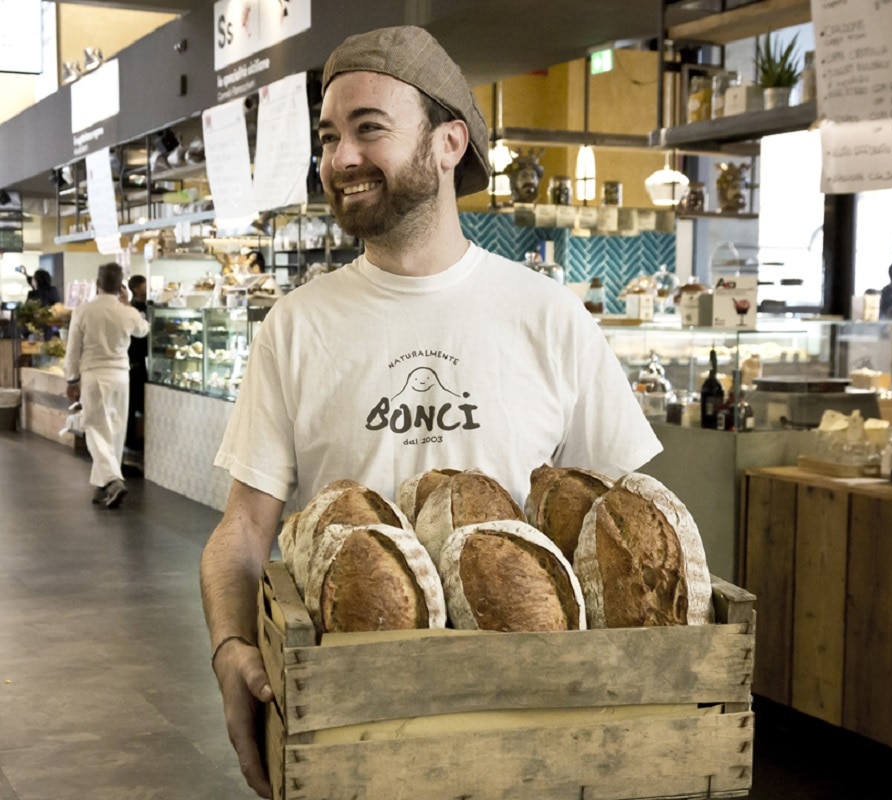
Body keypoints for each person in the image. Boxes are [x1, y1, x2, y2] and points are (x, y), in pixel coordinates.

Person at [199, 25, 662, 798]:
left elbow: (617, 524)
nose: (341, 158)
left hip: (532, 726)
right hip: (352, 723)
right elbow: (243, 527)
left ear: (450, 143)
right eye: (329, 136)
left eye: (369, 129)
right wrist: (228, 649)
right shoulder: (297, 325)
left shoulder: (548, 315)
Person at [62, 263, 150, 509]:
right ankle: (101, 487)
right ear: (121, 286)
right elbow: (143, 330)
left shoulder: (83, 311)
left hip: (93, 376)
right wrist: (129, 305)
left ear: (97, 283)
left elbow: (73, 350)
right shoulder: (126, 312)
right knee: (116, 429)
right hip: (122, 376)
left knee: (96, 429)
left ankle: (112, 480)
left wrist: (71, 379)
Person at [124, 275, 149, 468]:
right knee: (132, 405)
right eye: (143, 286)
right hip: (133, 364)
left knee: (140, 404)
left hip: (143, 363)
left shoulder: (150, 307)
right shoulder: (130, 310)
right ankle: (131, 441)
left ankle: (137, 439)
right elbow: (141, 332)